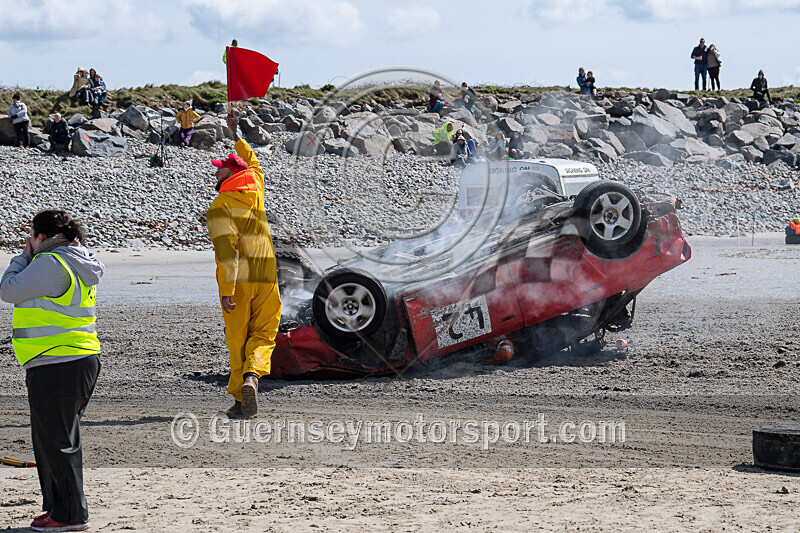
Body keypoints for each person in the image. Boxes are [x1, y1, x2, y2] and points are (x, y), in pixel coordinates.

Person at [0, 210, 104, 532]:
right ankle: (60, 508)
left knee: (57, 441)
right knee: (56, 438)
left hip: (57, 362)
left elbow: (8, 290)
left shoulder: (50, 263)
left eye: (32, 235)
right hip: (77, 360)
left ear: (41, 237)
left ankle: (70, 515)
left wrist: (22, 257)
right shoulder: (79, 260)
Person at [206, 111, 281, 419]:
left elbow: (227, 255)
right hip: (266, 271)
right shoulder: (256, 191)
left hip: (240, 278)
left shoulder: (220, 207)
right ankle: (253, 376)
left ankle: (240, 399)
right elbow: (253, 162)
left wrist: (227, 290)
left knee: (237, 337)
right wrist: (236, 135)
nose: (215, 173)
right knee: (265, 332)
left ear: (229, 175)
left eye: (219, 170)